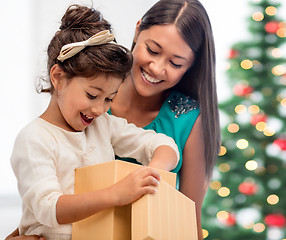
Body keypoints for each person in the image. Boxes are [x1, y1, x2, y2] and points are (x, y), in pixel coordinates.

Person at [6, 0, 220, 239]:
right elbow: (44, 208)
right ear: (138, 31)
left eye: (175, 63)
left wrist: (149, 174)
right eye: (153, 50)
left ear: (191, 66)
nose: (157, 68)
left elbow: (190, 222)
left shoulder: (104, 123)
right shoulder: (79, 119)